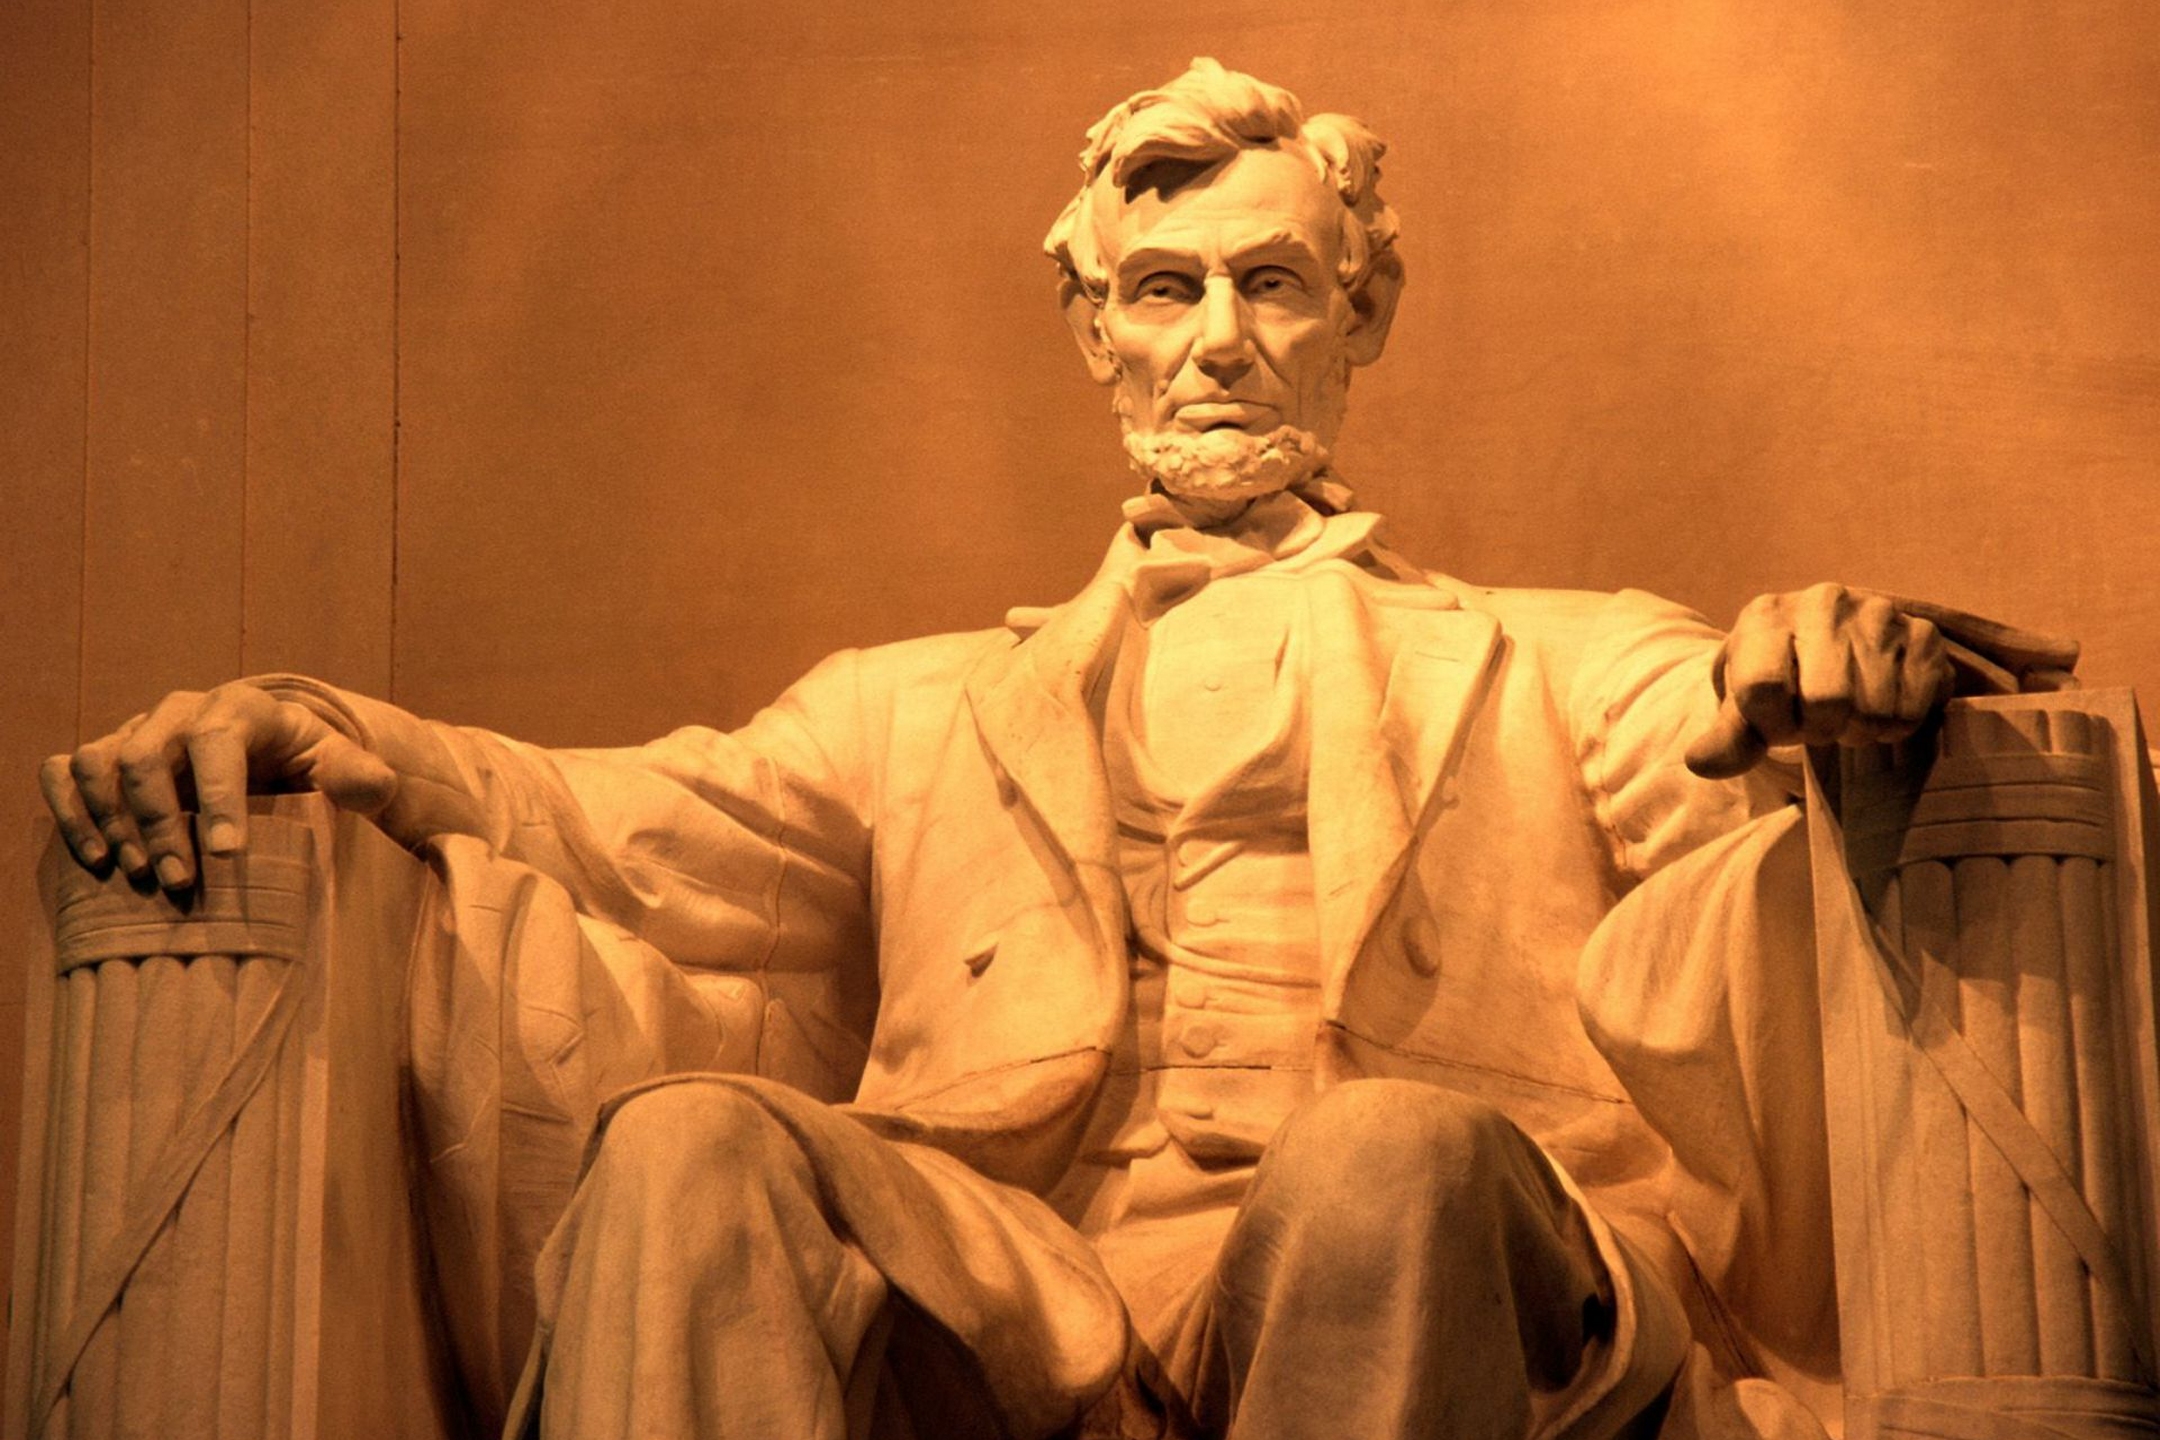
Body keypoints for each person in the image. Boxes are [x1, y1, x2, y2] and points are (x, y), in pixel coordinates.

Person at [43, 59, 1977, 1440]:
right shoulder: (914, 702)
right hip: (1018, 1264)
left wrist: (1803, 680)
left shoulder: (1561, 653)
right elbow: (625, 823)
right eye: (1165, 289)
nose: (1217, 338)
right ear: (1095, 333)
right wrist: (331, 731)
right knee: (689, 1140)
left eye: (1273, 282)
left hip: (1424, 1246)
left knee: (1385, 1157)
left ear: (1361, 313)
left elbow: (1705, 748)